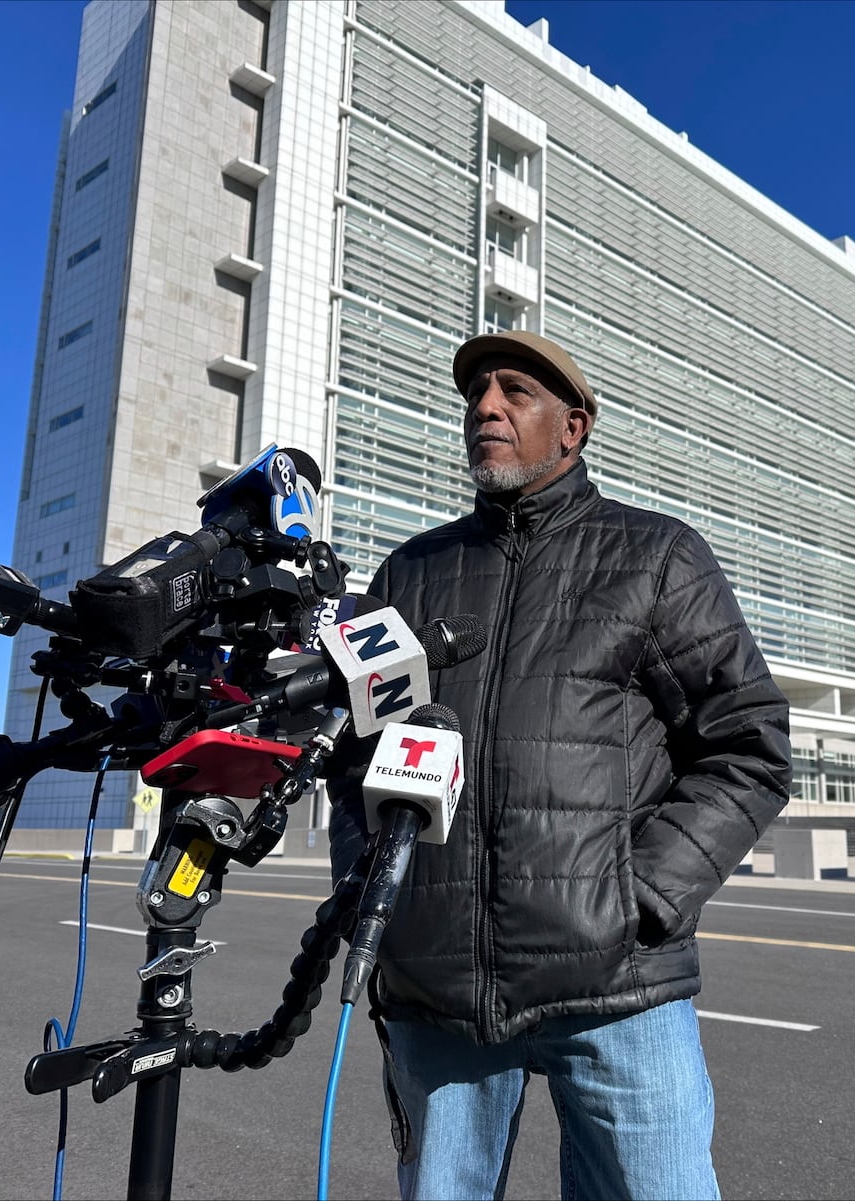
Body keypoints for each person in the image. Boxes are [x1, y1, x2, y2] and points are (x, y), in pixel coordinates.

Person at [328, 329, 792, 1201]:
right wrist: (372, 891)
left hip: (619, 985)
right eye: (475, 395)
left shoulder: (656, 556)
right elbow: (359, 759)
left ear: (573, 428)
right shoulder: (408, 575)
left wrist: (641, 896)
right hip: (438, 991)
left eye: (514, 392)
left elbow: (749, 743)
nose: (485, 408)